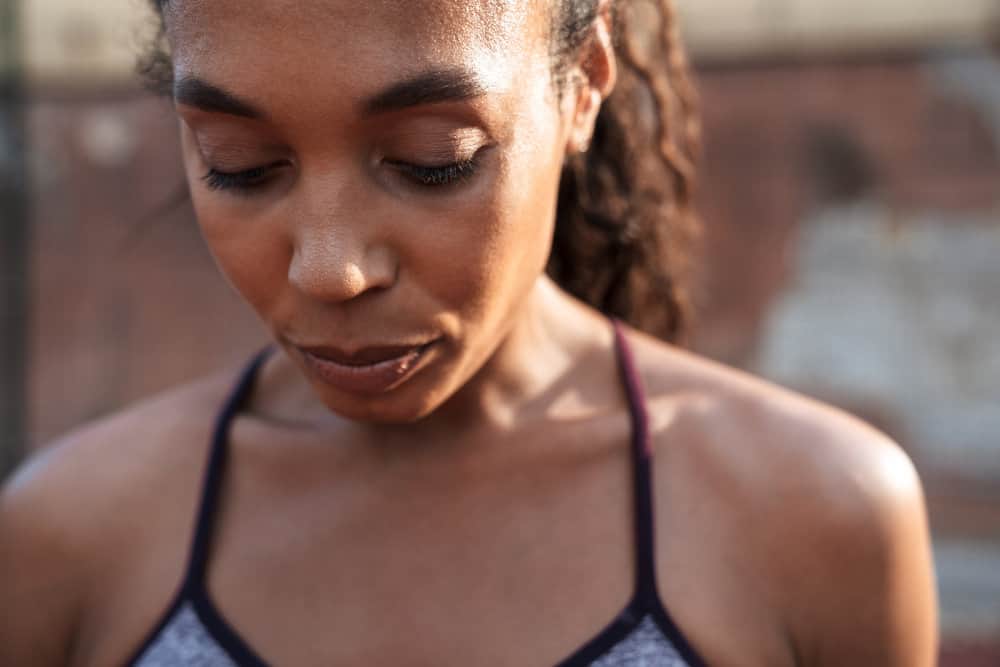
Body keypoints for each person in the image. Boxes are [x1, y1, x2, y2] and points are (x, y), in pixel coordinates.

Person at [0, 0, 937, 665]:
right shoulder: (73, 539)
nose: (329, 268)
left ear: (582, 87)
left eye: (430, 160)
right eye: (240, 165)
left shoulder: (814, 519)